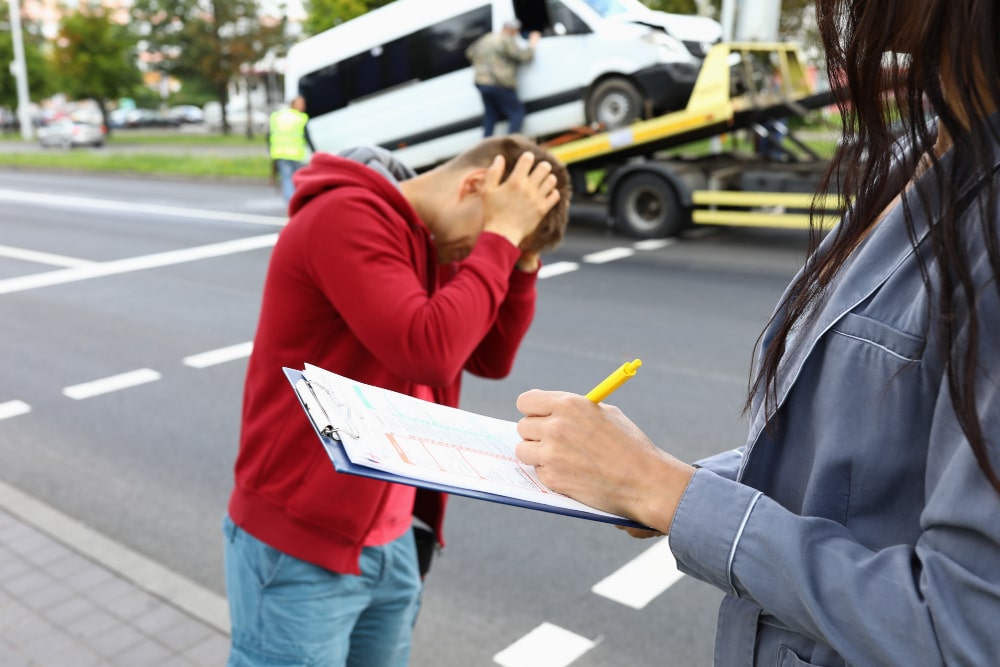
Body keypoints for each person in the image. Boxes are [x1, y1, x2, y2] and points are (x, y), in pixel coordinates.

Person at [514, 0, 1000, 664]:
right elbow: (870, 471)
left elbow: (965, 629)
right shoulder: (929, 153)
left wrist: (663, 490)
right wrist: (667, 483)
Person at [224, 134, 571, 667]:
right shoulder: (346, 215)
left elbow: (488, 357)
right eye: (492, 232)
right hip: (303, 539)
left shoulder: (431, 243)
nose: (486, 256)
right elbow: (428, 350)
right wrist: (499, 236)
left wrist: (521, 259)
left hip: (393, 534)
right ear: (474, 186)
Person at [465, 19, 541, 137]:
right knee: (517, 112)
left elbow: (469, 53)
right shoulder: (505, 39)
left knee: (491, 116)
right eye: (516, 31)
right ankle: (511, 144)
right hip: (498, 82)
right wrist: (532, 44)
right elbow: (523, 56)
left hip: (482, 82)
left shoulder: (487, 38)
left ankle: (485, 146)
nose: (516, 34)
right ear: (511, 29)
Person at [267, 96, 312, 204]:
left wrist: (270, 149)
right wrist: (314, 150)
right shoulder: (301, 118)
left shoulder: (278, 116)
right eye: (301, 104)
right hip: (296, 154)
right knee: (298, 179)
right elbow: (307, 137)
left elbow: (269, 135)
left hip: (280, 153)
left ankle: (291, 203)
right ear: (294, 105)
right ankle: (297, 202)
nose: (303, 106)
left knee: (287, 180)